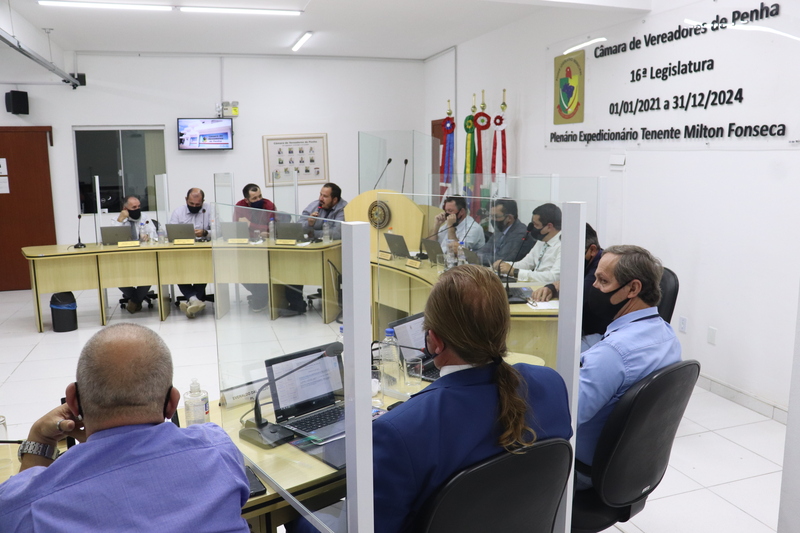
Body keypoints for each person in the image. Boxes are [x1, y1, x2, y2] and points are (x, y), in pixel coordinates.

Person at [289, 265, 572, 533]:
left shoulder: (398, 432)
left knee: (299, 515)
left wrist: (295, 519)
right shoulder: (551, 384)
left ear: (433, 341)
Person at [0, 323, 250, 532]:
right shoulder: (218, 449)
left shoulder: (32, 504)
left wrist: (39, 440)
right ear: (172, 403)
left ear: (73, 401)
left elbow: (16, 509)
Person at [576, 245, 681, 489]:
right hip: (627, 468)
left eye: (603, 281)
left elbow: (567, 416)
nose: (594, 287)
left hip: (582, 470)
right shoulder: (668, 337)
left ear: (633, 289)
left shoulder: (613, 353)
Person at [531, 223, 605, 349]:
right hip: (584, 328)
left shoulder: (601, 265)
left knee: (552, 348)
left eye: (573, 252)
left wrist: (558, 287)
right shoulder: (585, 263)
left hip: (599, 334)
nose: (569, 258)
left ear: (592, 250)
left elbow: (576, 296)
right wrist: (552, 287)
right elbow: (567, 282)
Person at [280, 183, 348, 317]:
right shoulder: (314, 205)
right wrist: (309, 224)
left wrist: (312, 232)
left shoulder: (343, 209)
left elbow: (337, 233)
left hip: (334, 251)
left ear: (335, 199)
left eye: (325, 196)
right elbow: (299, 226)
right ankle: (296, 305)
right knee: (293, 264)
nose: (321, 198)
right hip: (312, 248)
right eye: (320, 194)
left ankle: (334, 304)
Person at [169, 187, 212, 318]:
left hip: (203, 250)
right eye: (191, 203)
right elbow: (170, 233)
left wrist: (206, 232)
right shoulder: (178, 212)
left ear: (203, 201)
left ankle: (192, 300)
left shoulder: (210, 210)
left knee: (204, 269)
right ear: (186, 200)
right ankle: (195, 300)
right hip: (183, 250)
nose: (194, 206)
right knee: (178, 270)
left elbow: (219, 230)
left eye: (197, 204)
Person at [493, 202, 561, 284]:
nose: (533, 228)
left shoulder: (563, 245)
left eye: (536, 225)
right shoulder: (541, 241)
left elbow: (553, 277)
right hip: (536, 285)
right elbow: (526, 264)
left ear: (549, 226)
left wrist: (515, 272)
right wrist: (504, 265)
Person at [111, 195, 157, 313]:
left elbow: (155, 235)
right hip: (122, 257)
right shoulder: (116, 220)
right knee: (116, 277)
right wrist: (120, 220)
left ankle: (134, 301)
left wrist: (148, 236)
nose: (137, 209)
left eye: (138, 206)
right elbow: (109, 239)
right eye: (134, 207)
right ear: (125, 209)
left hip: (143, 256)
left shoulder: (144, 217)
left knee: (150, 274)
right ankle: (137, 299)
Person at [235, 183, 276, 312]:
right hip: (246, 246)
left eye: (260, 196)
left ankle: (260, 298)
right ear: (247, 200)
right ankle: (260, 295)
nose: (259, 200)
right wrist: (259, 229)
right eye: (254, 198)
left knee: (261, 269)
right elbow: (237, 227)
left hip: (265, 247)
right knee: (239, 271)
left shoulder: (268, 205)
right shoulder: (240, 206)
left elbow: (272, 229)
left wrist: (250, 225)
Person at [476, 198, 535, 265]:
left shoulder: (520, 233)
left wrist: (478, 257)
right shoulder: (500, 229)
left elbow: (504, 259)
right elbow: (485, 249)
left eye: (496, 216)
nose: (493, 219)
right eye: (491, 216)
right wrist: (475, 255)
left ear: (509, 218)